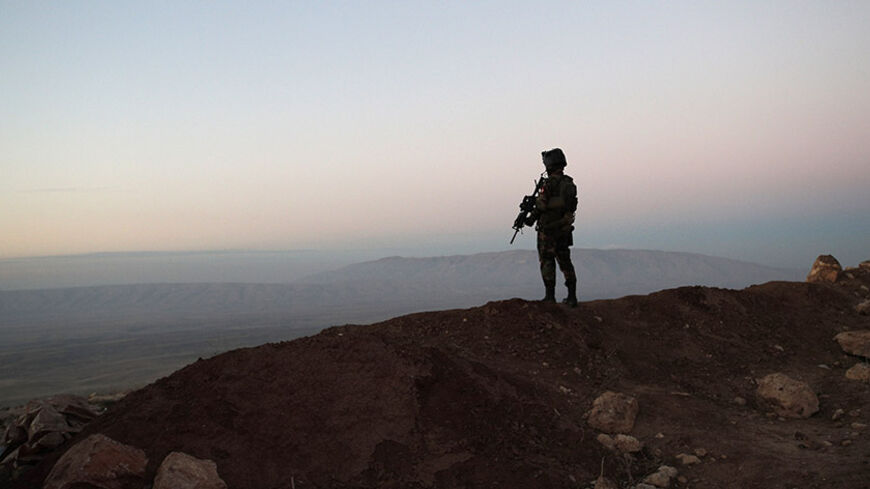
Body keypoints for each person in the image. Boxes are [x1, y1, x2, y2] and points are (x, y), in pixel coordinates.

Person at [525, 148, 578, 306]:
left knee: (547, 261)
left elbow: (541, 205)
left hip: (548, 230)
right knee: (565, 262)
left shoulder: (548, 184)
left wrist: (531, 217)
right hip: (563, 229)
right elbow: (570, 205)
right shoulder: (569, 183)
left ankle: (550, 296)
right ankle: (572, 297)